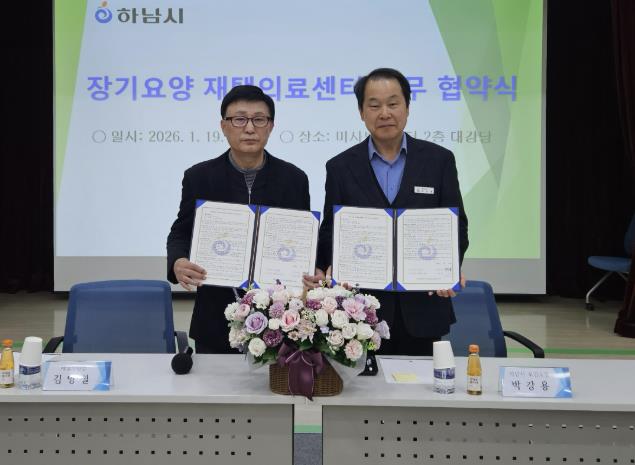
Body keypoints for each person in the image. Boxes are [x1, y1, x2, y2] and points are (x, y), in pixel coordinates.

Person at [304, 68, 469, 356]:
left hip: (424, 307)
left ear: (407, 108)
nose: (385, 113)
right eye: (374, 105)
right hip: (359, 314)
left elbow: (457, 227)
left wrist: (447, 269)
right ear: (361, 112)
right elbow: (331, 231)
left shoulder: (439, 160)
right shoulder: (341, 167)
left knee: (422, 383)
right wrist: (330, 265)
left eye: (393, 103)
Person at [167, 85, 310, 353]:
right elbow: (181, 232)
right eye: (239, 119)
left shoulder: (294, 179)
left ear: (271, 126)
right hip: (216, 317)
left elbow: (302, 242)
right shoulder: (199, 177)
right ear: (224, 126)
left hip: (279, 321)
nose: (249, 128)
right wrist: (178, 261)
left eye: (259, 119)